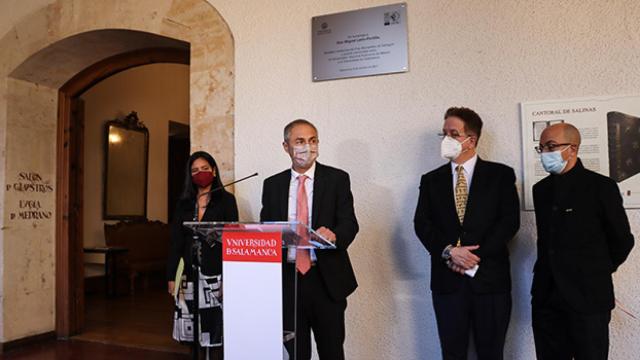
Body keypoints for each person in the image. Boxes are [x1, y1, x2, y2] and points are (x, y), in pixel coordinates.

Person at [414, 107, 520, 360]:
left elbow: (509, 223)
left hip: (490, 281)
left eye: (453, 133)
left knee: (491, 352)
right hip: (447, 282)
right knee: (452, 353)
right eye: (444, 134)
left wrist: (472, 256)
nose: (446, 140)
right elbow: (422, 224)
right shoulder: (431, 180)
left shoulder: (500, 175)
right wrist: (451, 252)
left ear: (470, 140)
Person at [531, 123, 634, 360]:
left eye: (551, 146)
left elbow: (622, 240)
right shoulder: (541, 190)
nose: (545, 152)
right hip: (547, 296)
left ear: (572, 148)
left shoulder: (601, 187)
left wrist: (595, 270)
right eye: (542, 147)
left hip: (588, 297)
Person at [260, 119, 359, 360]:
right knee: (296, 354)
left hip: (326, 280)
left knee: (332, 352)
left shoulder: (337, 179)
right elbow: (266, 229)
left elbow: (349, 223)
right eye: (300, 141)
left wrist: (335, 235)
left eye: (313, 140)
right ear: (286, 147)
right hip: (288, 280)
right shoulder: (272, 185)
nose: (308, 147)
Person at [166, 151, 239, 354]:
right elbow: (176, 241)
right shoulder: (183, 203)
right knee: (192, 332)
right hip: (188, 272)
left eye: (205, 169)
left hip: (214, 272)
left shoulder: (226, 201)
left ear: (214, 171)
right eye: (195, 170)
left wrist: (228, 277)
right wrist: (172, 275)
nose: (200, 173)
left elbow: (231, 241)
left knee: (214, 329)